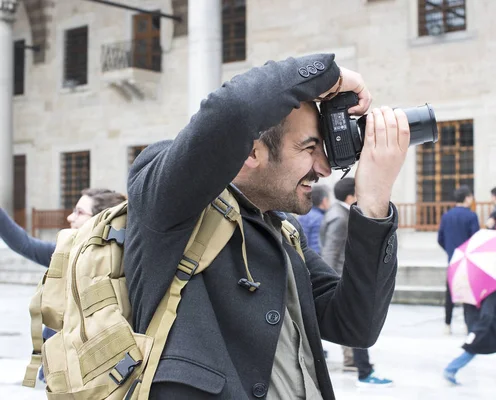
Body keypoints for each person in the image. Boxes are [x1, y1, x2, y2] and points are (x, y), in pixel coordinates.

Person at [124, 54, 407, 398]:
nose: (324, 169)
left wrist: (374, 203)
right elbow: (233, 110)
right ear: (251, 152)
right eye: (309, 148)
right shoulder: (169, 201)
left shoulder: (282, 229)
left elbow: (356, 325)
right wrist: (332, 77)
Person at [0, 188, 127, 381]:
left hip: (89, 378)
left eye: (79, 212)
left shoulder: (122, 265)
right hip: (55, 373)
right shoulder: (66, 253)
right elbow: (24, 244)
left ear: (99, 219)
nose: (70, 217)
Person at [320, 178, 392, 386]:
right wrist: (334, 282)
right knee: (359, 321)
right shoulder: (340, 218)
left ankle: (357, 364)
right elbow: (330, 251)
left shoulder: (337, 213)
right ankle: (364, 370)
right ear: (351, 196)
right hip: (342, 277)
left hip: (343, 275)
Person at [443, 291, 496, 386]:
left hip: (477, 323)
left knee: (477, 349)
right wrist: (479, 330)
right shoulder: (489, 290)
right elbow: (487, 313)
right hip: (490, 326)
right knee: (477, 348)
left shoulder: (470, 288)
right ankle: (451, 368)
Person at [438, 186, 480, 334]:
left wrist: (450, 251)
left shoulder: (446, 215)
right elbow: (475, 238)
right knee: (467, 293)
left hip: (452, 259)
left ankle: (447, 325)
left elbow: (440, 238)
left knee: (450, 293)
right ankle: (468, 325)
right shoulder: (471, 216)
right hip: (467, 259)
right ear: (467, 198)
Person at [297, 185, 329, 254]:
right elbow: (317, 246)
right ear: (324, 200)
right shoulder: (320, 218)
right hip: (314, 258)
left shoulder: (304, 214)